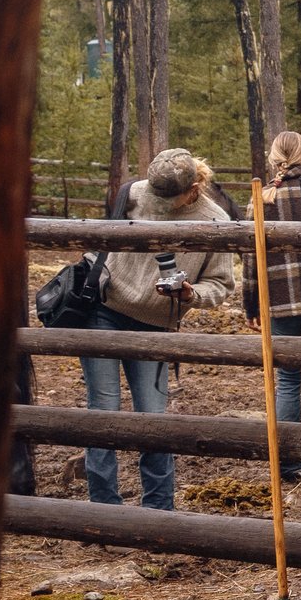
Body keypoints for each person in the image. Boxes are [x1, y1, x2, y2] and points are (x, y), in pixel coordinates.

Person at [82, 148, 237, 511]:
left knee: (153, 418)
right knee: (102, 411)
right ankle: (103, 507)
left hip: (155, 324)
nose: (159, 203)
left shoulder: (215, 220)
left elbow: (221, 283)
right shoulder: (133, 194)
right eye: (156, 194)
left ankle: (158, 509)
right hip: (104, 310)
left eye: (168, 198)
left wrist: (191, 294)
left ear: (194, 189)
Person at [247, 131, 301, 483]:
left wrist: (251, 305)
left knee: (286, 380)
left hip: (280, 300)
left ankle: (290, 464)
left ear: (274, 159)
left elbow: (250, 261)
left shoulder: (262, 198)